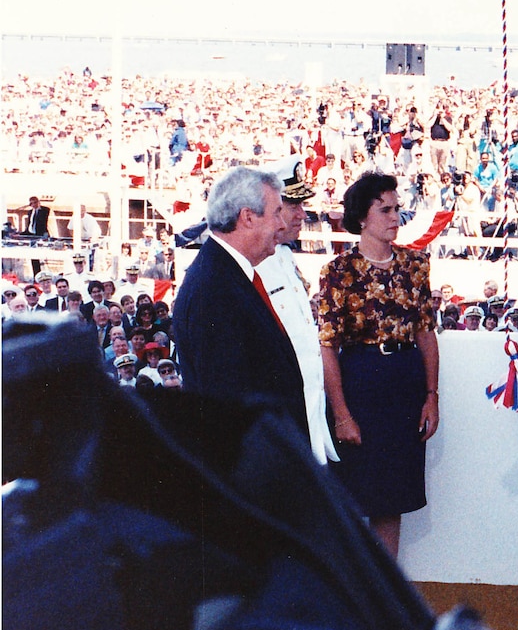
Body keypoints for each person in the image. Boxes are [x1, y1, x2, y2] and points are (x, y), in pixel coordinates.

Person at [318, 172, 440, 557]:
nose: (394, 217)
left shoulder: (415, 265)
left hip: (405, 384)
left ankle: (385, 594)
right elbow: (328, 348)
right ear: (361, 217)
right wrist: (340, 413)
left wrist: (432, 396)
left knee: (391, 500)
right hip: (360, 384)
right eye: (384, 209)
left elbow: (425, 334)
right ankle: (355, 593)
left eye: (396, 208)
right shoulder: (338, 273)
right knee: (354, 496)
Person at [171, 166, 308, 436]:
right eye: (276, 212)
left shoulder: (227, 274)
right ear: (248, 217)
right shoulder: (213, 290)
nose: (282, 224)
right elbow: (226, 406)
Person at [258, 158, 339, 465]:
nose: (302, 215)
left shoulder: (284, 257)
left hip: (308, 421)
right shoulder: (256, 266)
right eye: (293, 206)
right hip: (283, 423)